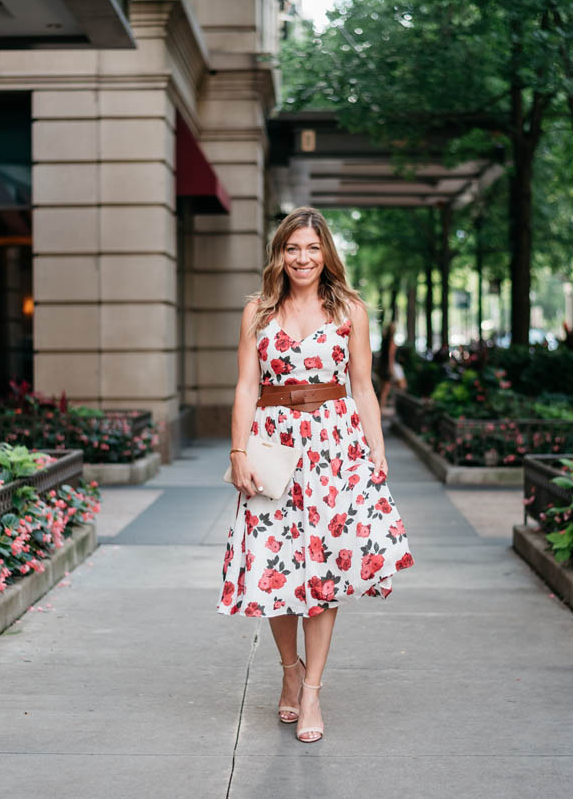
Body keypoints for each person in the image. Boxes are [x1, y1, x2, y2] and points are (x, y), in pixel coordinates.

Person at [219, 206, 415, 744]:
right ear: (279, 255)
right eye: (292, 248)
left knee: (323, 573)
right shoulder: (257, 311)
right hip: (273, 450)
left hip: (333, 449)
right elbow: (244, 387)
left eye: (311, 248)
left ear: (326, 252)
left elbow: (363, 387)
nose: (302, 258)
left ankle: (312, 692)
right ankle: (289, 671)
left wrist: (376, 455)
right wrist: (238, 452)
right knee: (274, 568)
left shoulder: (349, 310)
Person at [375, 321, 406, 409]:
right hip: (389, 367)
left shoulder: (384, 341)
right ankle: (382, 408)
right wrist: (391, 369)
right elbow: (391, 357)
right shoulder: (391, 342)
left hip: (383, 367)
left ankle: (386, 405)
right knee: (387, 389)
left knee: (383, 389)